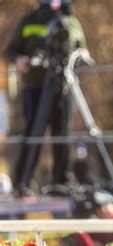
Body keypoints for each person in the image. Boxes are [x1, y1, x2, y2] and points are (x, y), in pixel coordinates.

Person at [4, 0, 88, 196]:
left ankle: (62, 181)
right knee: (34, 133)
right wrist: (18, 60)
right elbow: (10, 50)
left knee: (62, 133)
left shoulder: (72, 22)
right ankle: (22, 183)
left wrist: (82, 54)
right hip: (35, 86)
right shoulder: (29, 20)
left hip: (64, 86)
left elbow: (82, 48)